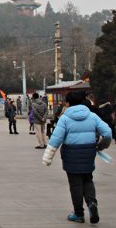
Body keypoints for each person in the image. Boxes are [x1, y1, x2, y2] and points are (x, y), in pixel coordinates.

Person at [43, 91, 112, 224]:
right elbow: (107, 132)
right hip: (88, 153)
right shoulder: (92, 116)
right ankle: (92, 203)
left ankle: (78, 214)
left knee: (75, 184)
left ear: (68, 103)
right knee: (88, 179)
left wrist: (47, 157)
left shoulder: (64, 118)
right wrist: (102, 146)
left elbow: (56, 139)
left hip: (71, 154)